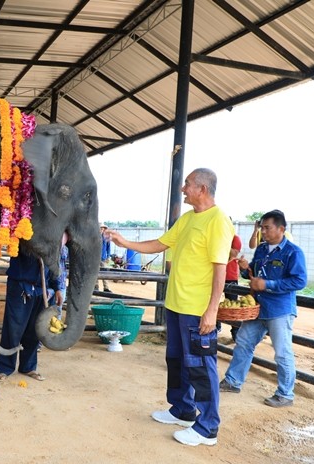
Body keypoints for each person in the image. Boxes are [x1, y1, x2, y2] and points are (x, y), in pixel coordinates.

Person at [108, 167, 233, 447]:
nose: (183, 188)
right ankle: (182, 409)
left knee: (201, 365)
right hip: (176, 304)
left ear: (202, 189)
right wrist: (123, 241)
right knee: (176, 361)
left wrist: (212, 310)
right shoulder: (188, 219)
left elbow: (220, 269)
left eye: (187, 184)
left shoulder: (218, 221)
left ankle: (208, 427)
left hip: (197, 309)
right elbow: (160, 244)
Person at [219, 210, 307, 408]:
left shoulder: (293, 252)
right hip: (258, 307)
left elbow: (299, 281)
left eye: (267, 228)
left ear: (281, 229)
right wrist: (244, 268)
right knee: (243, 341)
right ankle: (233, 381)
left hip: (280, 309)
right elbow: (252, 274)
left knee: (282, 352)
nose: (263, 232)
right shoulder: (261, 250)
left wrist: (267, 285)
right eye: (262, 228)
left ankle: (285, 394)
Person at [0, 248, 63, 383]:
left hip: (42, 289)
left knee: (34, 330)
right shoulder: (22, 230)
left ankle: (28, 367)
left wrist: (57, 287)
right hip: (20, 286)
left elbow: (54, 264)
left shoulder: (52, 237)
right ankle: (4, 367)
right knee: (13, 329)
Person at [217, 229, 242, 339]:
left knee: (232, 305)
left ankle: (235, 331)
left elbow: (234, 253)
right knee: (213, 302)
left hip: (230, 276)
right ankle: (216, 326)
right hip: (216, 275)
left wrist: (223, 240)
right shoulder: (216, 237)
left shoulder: (235, 238)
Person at [96, 223, 112, 292]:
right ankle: (96, 287)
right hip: (96, 258)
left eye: (103, 228)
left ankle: (106, 288)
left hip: (103, 258)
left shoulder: (106, 237)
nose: (102, 230)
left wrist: (108, 256)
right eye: (101, 228)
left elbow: (108, 248)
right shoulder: (95, 237)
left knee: (104, 273)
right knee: (96, 273)